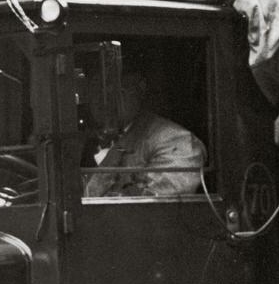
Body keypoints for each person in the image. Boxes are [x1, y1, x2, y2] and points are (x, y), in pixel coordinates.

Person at [84, 64, 206, 198]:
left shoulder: (176, 141)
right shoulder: (88, 143)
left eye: (117, 91)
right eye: (96, 92)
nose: (105, 101)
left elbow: (151, 209)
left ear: (139, 90)